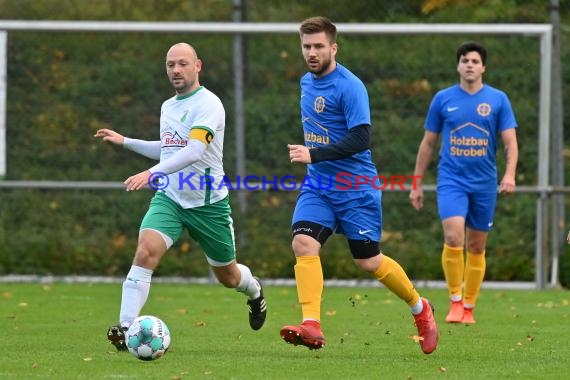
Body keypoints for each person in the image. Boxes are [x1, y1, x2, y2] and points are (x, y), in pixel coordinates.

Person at [280, 16, 439, 354]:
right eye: (306, 46)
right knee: (303, 244)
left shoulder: (350, 86)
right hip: (320, 186)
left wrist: (314, 153)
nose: (311, 52)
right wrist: (316, 160)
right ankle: (311, 324)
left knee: (368, 260)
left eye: (319, 46)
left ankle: (419, 308)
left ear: (333, 48)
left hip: (356, 188)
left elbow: (361, 138)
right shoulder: (306, 82)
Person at [94, 42, 267, 351]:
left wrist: (152, 173)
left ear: (197, 66)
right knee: (146, 251)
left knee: (228, 276)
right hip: (171, 198)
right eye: (171, 64)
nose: (176, 69)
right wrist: (125, 142)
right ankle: (125, 328)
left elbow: (194, 150)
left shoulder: (208, 104)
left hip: (208, 204)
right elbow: (169, 149)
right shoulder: (168, 106)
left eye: (183, 63)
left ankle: (255, 293)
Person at [409, 41, 519, 325]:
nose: (469, 65)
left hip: (484, 183)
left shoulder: (498, 100)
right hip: (451, 180)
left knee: (477, 246)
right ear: (458, 65)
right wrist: (416, 182)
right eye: (464, 61)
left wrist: (509, 174)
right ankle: (455, 302)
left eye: (475, 61)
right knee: (453, 237)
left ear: (483, 67)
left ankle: (469, 307)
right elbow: (428, 142)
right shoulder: (443, 99)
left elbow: (510, 142)